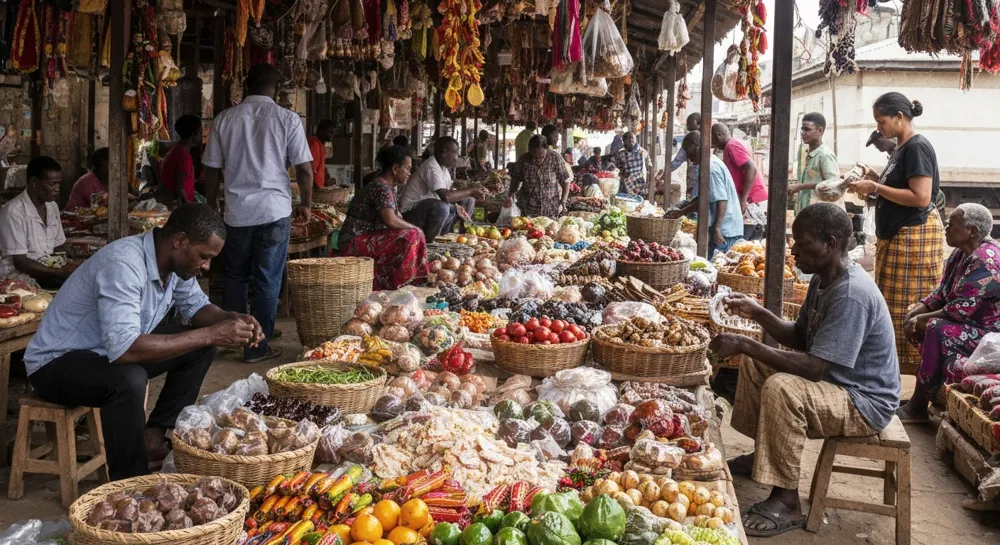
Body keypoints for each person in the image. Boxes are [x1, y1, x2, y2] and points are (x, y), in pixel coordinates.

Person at [23, 204, 264, 479]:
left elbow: (197, 309)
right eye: (204, 257)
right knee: (129, 379)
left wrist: (232, 319)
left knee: (201, 348)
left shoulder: (177, 266)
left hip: (105, 355)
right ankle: (129, 481)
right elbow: (125, 350)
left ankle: (154, 435)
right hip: (54, 365)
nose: (206, 267)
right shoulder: (124, 264)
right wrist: (213, 332)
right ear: (180, 241)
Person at [712, 203, 899, 538]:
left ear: (829, 243)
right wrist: (758, 314)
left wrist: (745, 344)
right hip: (839, 384)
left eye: (800, 242)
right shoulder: (824, 278)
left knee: (783, 387)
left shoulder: (851, 294)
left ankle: (786, 500)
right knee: (758, 364)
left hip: (865, 401)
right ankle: (766, 460)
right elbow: (801, 337)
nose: (793, 249)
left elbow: (815, 368)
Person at [203, 63, 313, 364]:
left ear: (246, 84)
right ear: (276, 89)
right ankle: (257, 347)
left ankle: (237, 336)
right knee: (267, 280)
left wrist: (212, 204)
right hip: (274, 211)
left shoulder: (225, 119)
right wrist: (306, 203)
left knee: (236, 277)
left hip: (236, 213)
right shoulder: (287, 119)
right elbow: (304, 168)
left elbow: (211, 170)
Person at [845, 92, 944, 375]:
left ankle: (915, 376)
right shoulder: (902, 147)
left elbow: (921, 197)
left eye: (882, 121)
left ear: (900, 117)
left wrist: (875, 188)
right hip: (900, 236)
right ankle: (893, 371)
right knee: (892, 306)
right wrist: (874, 180)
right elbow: (901, 188)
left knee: (907, 308)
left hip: (914, 239)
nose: (879, 128)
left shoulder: (917, 147)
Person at [895, 204, 1000, 421]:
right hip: (971, 325)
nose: (946, 228)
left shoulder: (986, 258)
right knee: (921, 321)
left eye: (952, 225)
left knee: (933, 327)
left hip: (989, 335)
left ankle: (919, 404)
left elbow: (961, 310)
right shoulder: (960, 253)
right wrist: (919, 308)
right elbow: (942, 291)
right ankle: (927, 396)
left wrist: (920, 319)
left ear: (971, 230)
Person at [339, 146, 428, 290]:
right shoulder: (380, 186)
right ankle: (404, 283)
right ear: (395, 168)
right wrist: (415, 228)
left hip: (366, 237)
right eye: (407, 168)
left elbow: (398, 216)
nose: (409, 173)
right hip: (354, 240)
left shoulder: (388, 186)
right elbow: (390, 220)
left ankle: (403, 281)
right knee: (412, 235)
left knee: (414, 233)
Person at [665, 132, 744, 256]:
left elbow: (722, 200)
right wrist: (680, 212)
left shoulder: (711, 168)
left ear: (694, 147)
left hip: (725, 231)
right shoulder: (706, 164)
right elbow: (702, 199)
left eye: (687, 150)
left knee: (717, 265)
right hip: (722, 228)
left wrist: (717, 228)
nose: (687, 156)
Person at [0, 156, 73, 288]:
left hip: (46, 269)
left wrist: (73, 259)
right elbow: (21, 262)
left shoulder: (52, 207)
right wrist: (59, 272)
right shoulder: (14, 212)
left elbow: (58, 246)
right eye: (52, 184)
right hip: (18, 277)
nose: (57, 189)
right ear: (34, 182)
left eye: (59, 184)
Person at [399, 136, 484, 241]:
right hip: (409, 215)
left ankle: (458, 236)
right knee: (443, 207)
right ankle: (430, 244)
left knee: (467, 201)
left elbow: (449, 192)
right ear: (445, 152)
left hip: (426, 210)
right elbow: (446, 196)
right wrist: (472, 190)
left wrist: (459, 204)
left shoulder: (443, 168)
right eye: (456, 152)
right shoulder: (431, 166)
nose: (457, 157)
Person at [866, 129, 947, 225]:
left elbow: (916, 191)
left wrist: (876, 187)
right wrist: (875, 178)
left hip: (930, 198)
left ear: (885, 137)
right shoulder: (893, 153)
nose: (877, 147)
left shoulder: (910, 148)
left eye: (878, 142)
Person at [712, 123, 768, 240]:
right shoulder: (730, 146)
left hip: (752, 201)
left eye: (711, 139)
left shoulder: (732, 146)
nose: (711, 143)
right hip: (750, 200)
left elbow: (751, 168)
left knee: (747, 244)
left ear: (718, 135)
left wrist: (743, 199)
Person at [507, 135, 571, 218]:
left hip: (550, 209)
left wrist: (563, 202)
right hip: (527, 209)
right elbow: (515, 180)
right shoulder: (524, 160)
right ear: (529, 151)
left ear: (546, 149)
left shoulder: (555, 158)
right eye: (534, 157)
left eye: (541, 157)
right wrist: (510, 196)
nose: (538, 160)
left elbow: (565, 182)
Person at [788, 112, 840, 213]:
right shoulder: (806, 153)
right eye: (802, 129)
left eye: (807, 129)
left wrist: (800, 187)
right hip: (806, 212)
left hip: (819, 214)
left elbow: (833, 185)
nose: (803, 133)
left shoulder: (825, 155)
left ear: (820, 131)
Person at [158, 115, 202, 206]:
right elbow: (180, 189)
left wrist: (194, 180)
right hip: (177, 205)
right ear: (193, 134)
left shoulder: (175, 150)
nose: (202, 135)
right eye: (200, 132)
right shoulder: (184, 156)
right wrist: (188, 207)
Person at [669, 113, 702, 196]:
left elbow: (677, 160)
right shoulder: (705, 137)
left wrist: (665, 173)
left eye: (689, 123)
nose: (687, 125)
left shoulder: (692, 139)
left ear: (697, 123)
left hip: (694, 180)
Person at [614, 131, 652, 197]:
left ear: (635, 139)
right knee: (625, 201)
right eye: (628, 138)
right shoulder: (621, 153)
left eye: (632, 138)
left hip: (639, 182)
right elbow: (618, 165)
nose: (631, 140)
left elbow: (649, 164)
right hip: (626, 182)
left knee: (639, 201)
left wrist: (650, 176)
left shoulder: (642, 151)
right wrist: (622, 173)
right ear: (624, 141)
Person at [307, 119, 335, 189]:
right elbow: (309, 169)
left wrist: (325, 174)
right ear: (320, 131)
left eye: (333, 132)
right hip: (313, 189)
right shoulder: (314, 144)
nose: (332, 135)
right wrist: (316, 187)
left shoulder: (320, 145)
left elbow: (318, 165)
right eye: (329, 132)